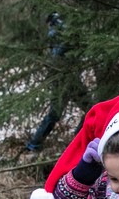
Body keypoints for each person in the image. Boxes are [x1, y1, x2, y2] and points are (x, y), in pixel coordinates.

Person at [25, 12, 89, 151]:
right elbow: (58, 55)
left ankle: (34, 144)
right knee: (88, 108)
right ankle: (75, 141)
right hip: (66, 78)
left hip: (64, 77)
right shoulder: (62, 32)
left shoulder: (55, 33)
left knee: (55, 114)